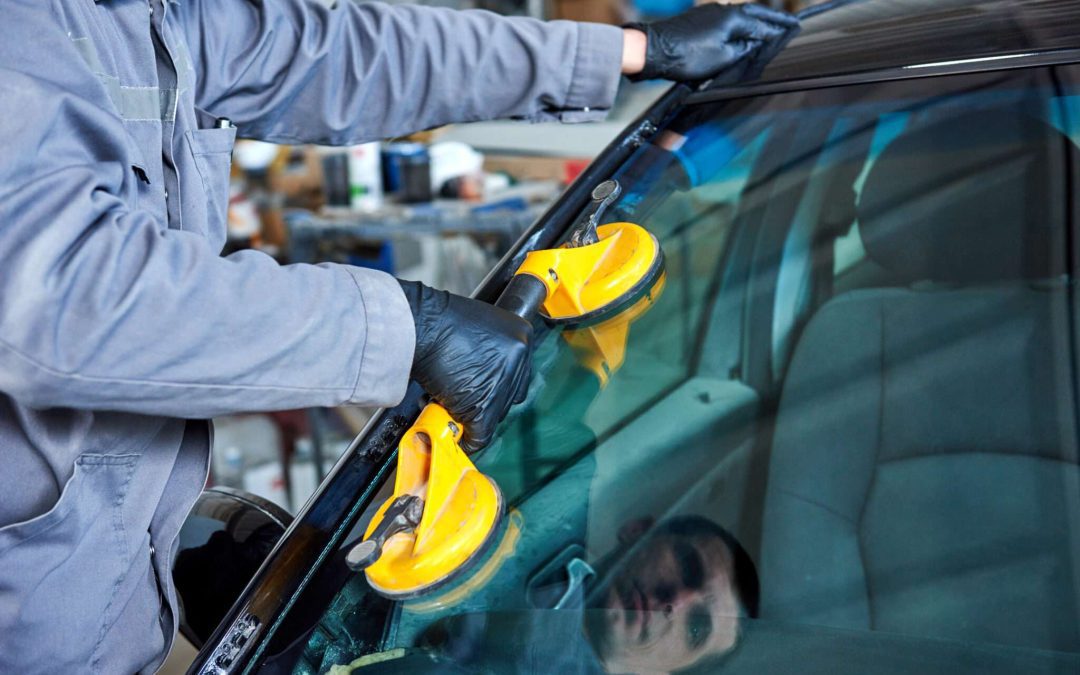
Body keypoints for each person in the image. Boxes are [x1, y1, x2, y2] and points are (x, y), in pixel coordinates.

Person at [0, 1, 796, 672]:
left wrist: (627, 51)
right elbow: (59, 295)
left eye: (696, 628)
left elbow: (334, 51)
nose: (675, 601)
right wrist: (406, 324)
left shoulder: (157, 14)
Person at [419, 515, 759, 674]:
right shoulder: (553, 509)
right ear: (639, 529)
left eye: (696, 627)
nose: (675, 602)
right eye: (688, 566)